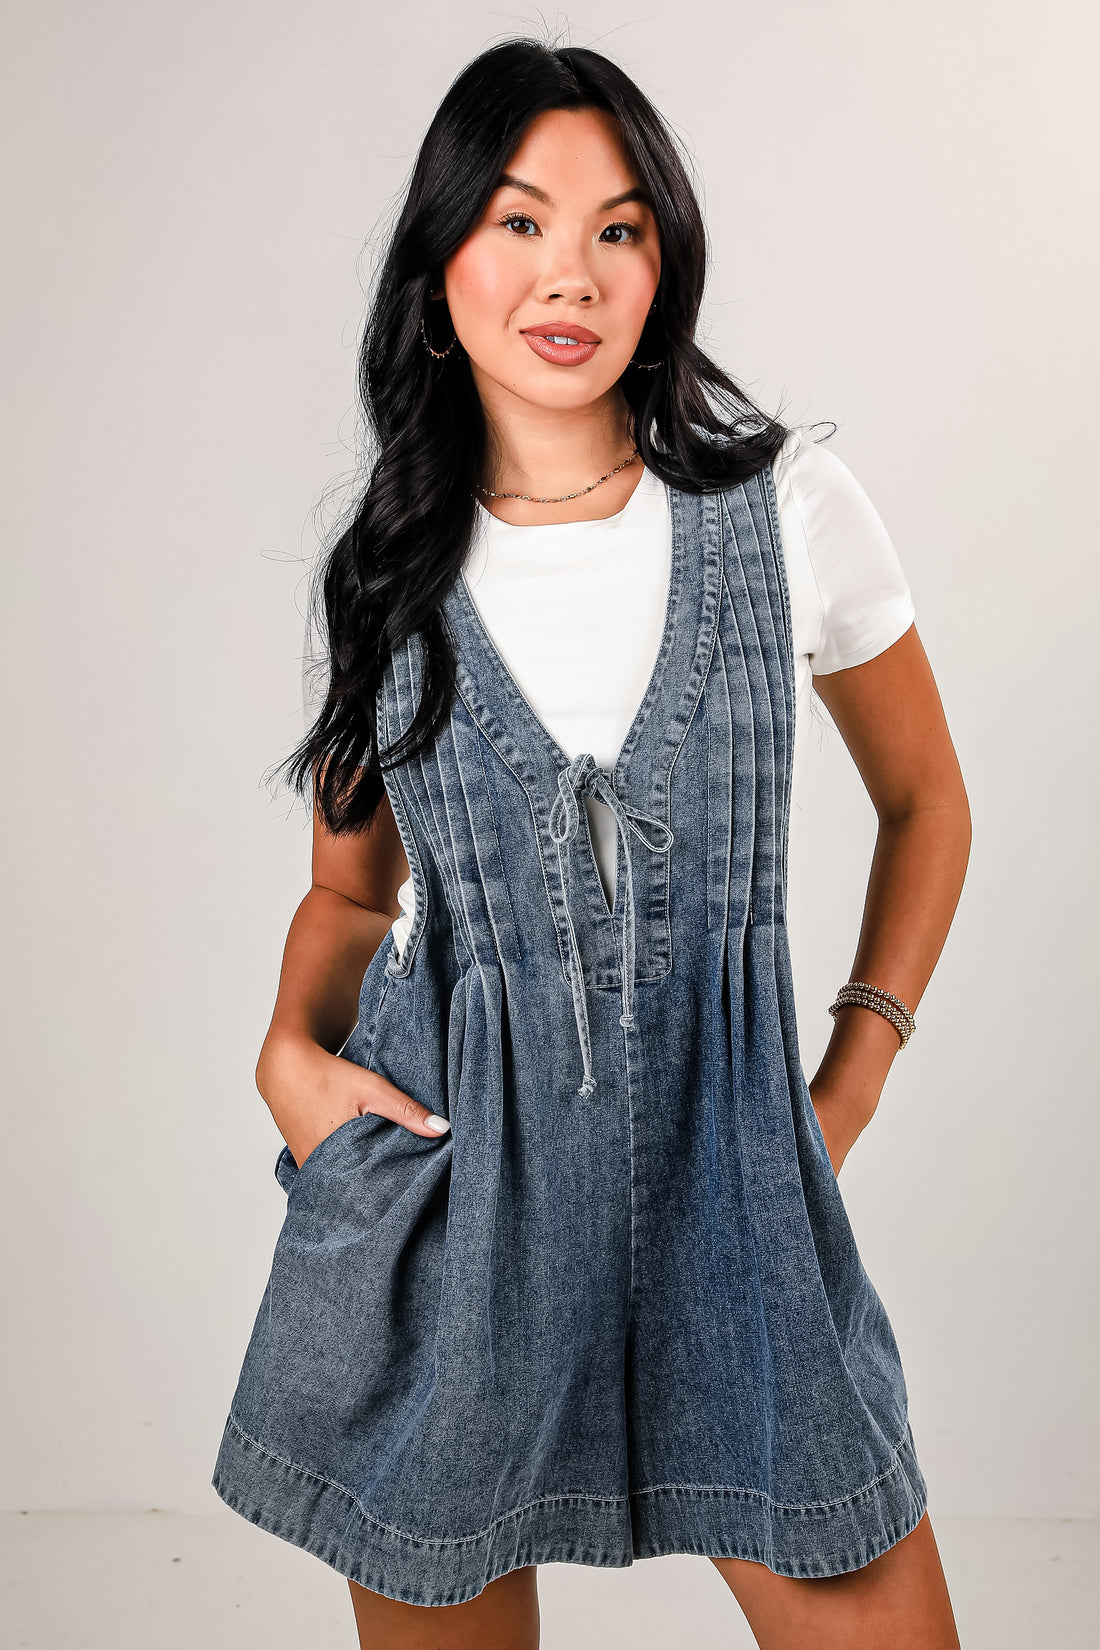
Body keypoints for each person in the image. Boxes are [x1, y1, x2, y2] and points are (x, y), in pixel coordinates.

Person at [212, 38, 971, 1650]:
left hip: (739, 1193)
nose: (572, 272)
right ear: (438, 271)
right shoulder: (384, 578)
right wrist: (288, 1043)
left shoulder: (789, 511)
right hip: (451, 1211)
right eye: (520, 221)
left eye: (620, 230)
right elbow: (352, 894)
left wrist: (850, 1077)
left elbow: (928, 804)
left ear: (663, 266)